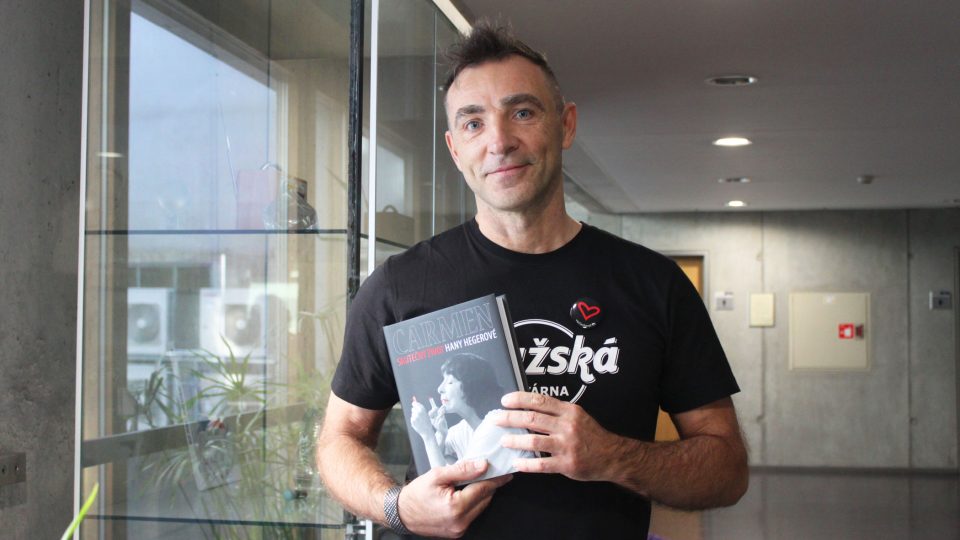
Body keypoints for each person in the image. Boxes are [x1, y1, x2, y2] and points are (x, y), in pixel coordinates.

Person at [317, 21, 748, 539]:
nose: (499, 141)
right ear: (455, 149)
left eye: (522, 112)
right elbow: (340, 439)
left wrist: (614, 457)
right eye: (473, 123)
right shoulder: (398, 286)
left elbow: (727, 470)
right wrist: (396, 507)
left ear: (565, 126)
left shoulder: (655, 284)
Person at [409, 353, 534, 479]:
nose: (439, 389)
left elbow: (443, 481)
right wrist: (441, 434)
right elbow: (438, 459)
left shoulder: (497, 425)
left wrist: (427, 435)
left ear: (471, 385)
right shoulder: (463, 429)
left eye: (450, 382)